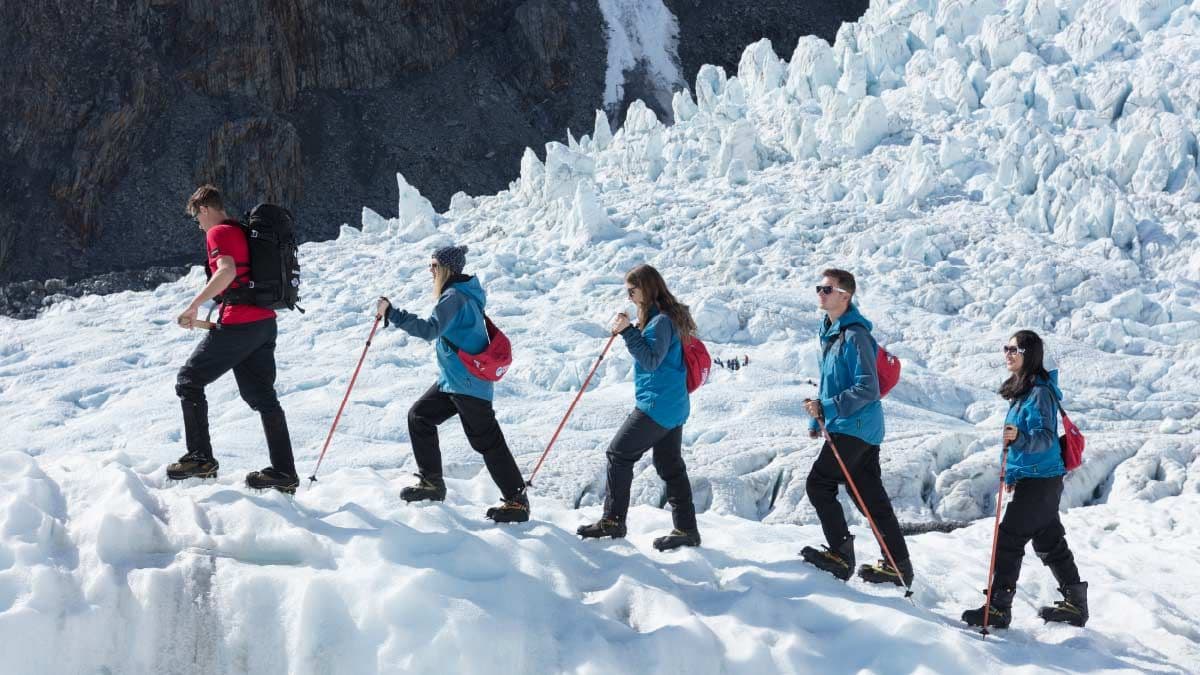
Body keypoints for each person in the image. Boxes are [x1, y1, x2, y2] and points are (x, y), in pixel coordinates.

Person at [377, 245, 530, 523]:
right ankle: (432, 483)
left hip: (467, 385)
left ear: (446, 268)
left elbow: (429, 330)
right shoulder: (463, 294)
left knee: (488, 442)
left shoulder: (453, 297)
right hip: (455, 381)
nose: (430, 270)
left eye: (434, 265)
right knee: (420, 416)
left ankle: (516, 501)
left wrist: (393, 314)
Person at [169, 184, 298, 493]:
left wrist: (194, 305)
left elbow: (226, 271)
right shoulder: (242, 231)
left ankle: (200, 458)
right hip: (264, 323)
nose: (198, 225)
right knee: (263, 398)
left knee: (189, 380)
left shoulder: (218, 233)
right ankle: (284, 472)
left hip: (240, 323)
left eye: (197, 218)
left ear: (203, 209)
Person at [962, 330, 1088, 629]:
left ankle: (998, 608)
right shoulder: (1026, 390)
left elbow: (1044, 438)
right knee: (1049, 540)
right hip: (1037, 478)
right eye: (1005, 348)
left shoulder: (1040, 393)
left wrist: (1018, 438)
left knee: (1009, 538)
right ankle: (1075, 605)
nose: (1007, 353)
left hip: (1041, 479)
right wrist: (1014, 472)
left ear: (1029, 354)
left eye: (1014, 349)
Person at [800, 268, 913, 587]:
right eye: (818, 287)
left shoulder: (855, 335)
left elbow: (867, 387)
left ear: (845, 296)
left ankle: (840, 555)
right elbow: (829, 383)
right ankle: (898, 566)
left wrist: (828, 408)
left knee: (819, 485)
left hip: (856, 424)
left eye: (827, 289)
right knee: (869, 498)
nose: (820, 293)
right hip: (854, 425)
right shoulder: (831, 331)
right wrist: (817, 417)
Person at [577, 264, 700, 551]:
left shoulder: (660, 323)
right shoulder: (669, 317)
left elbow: (651, 360)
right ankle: (687, 529)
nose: (630, 297)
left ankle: (613, 521)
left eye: (632, 291)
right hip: (673, 403)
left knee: (618, 453)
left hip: (657, 405)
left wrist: (627, 332)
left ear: (646, 288)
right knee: (670, 466)